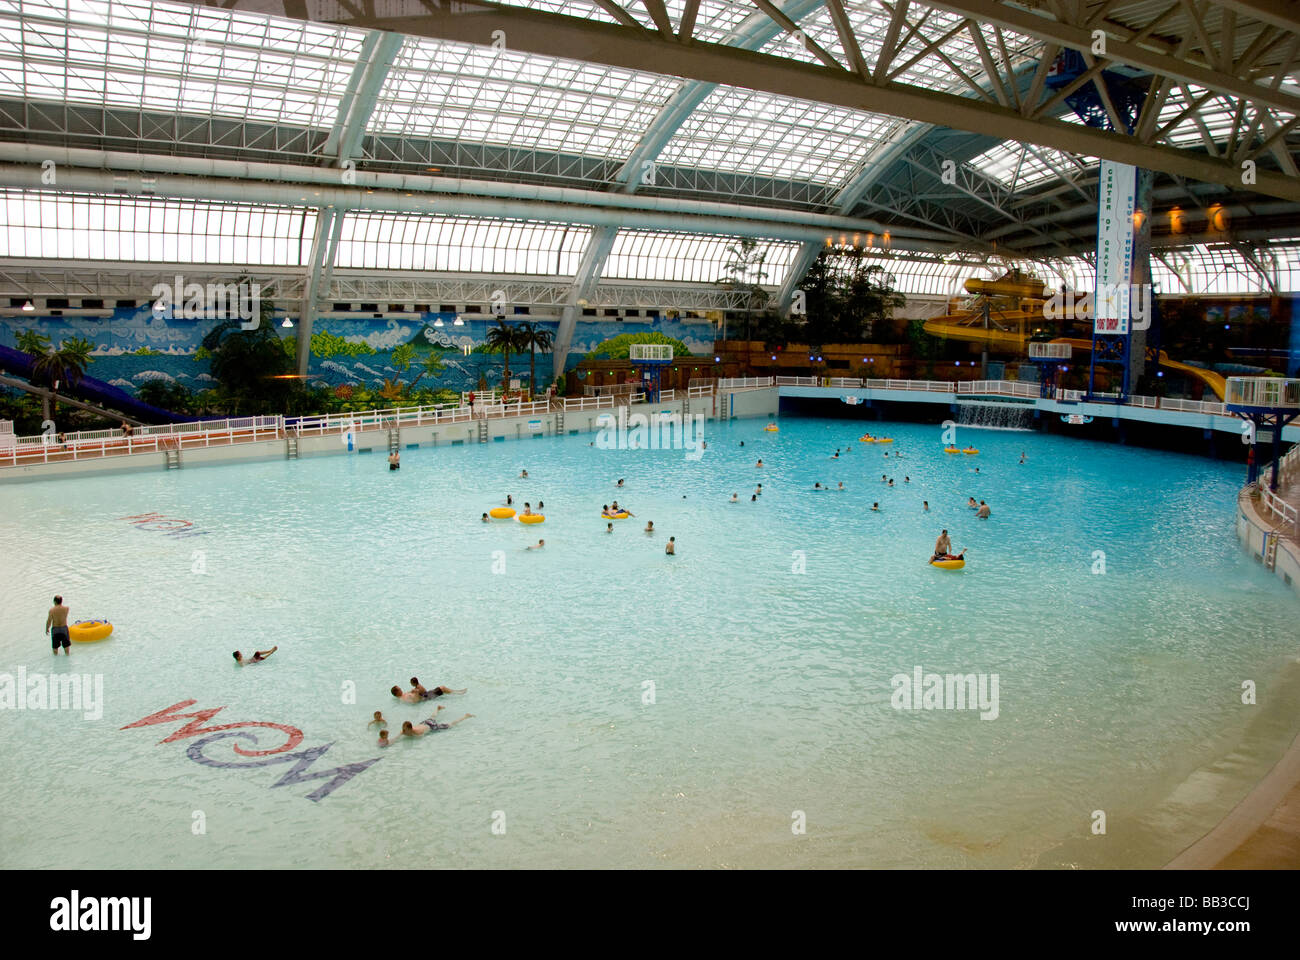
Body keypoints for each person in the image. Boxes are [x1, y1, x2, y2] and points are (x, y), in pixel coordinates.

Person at [400, 707, 474, 737]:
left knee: (450, 725)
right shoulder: (406, 731)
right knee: (432, 717)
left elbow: (426, 733)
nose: (403, 731)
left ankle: (465, 716)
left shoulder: (418, 733)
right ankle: (438, 709)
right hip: (425, 722)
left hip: (431, 726)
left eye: (404, 730)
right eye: (403, 729)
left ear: (410, 729)